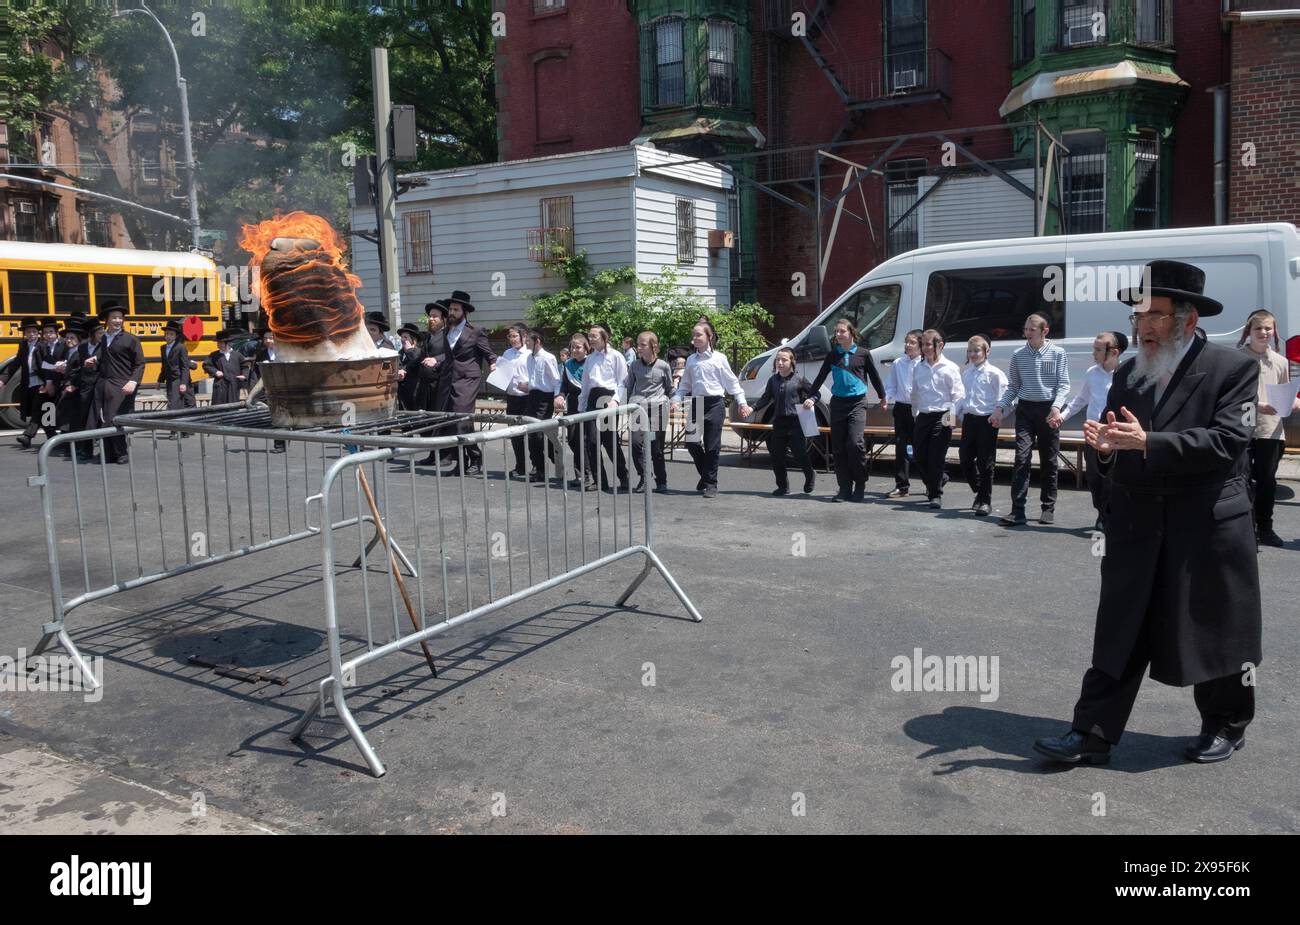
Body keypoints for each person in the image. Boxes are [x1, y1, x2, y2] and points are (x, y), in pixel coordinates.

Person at [1034, 259, 1262, 767]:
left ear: (1188, 320)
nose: (1143, 327)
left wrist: (1148, 442)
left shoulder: (1234, 369)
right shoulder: (1132, 374)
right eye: (1139, 317)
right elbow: (1118, 439)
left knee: (1213, 628)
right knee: (1120, 628)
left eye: (1155, 315)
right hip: (1137, 523)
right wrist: (1108, 449)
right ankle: (1090, 732)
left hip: (1204, 525)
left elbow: (1228, 442)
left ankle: (1226, 723)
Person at [993, 313, 1070, 526]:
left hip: (1047, 409)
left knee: (1049, 460)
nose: (1027, 333)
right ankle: (1017, 510)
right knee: (1022, 457)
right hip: (1025, 409)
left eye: (1032, 329)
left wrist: (1056, 408)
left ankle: (1048, 507)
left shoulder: (1057, 353)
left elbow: (1063, 384)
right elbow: (1014, 387)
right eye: (1025, 329)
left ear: (1044, 331)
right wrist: (1000, 408)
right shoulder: (1018, 355)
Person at [804, 318, 886, 503]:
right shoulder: (833, 355)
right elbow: (820, 377)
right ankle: (844, 488)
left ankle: (860, 484)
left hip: (857, 403)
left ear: (851, 333)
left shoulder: (863, 354)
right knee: (839, 448)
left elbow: (874, 375)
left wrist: (883, 396)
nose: (839, 334)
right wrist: (810, 396)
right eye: (837, 332)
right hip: (838, 404)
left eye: (842, 331)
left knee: (855, 443)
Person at [1237, 309, 1297, 548]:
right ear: (1248, 332)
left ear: (1274, 332)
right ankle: (1243, 530)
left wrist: (1292, 402)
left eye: (1267, 328)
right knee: (1242, 481)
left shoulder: (1281, 362)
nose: (1263, 333)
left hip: (1271, 431)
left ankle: (1265, 528)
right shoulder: (1239, 360)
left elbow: (1286, 393)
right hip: (1244, 428)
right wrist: (1257, 405)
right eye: (1258, 328)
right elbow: (1231, 398)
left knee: (1266, 482)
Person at [672, 320, 753, 498]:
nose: (695, 338)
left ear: (709, 337)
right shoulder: (691, 360)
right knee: (691, 443)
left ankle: (711, 484)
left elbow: (732, 383)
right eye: (693, 335)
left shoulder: (719, 358)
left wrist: (742, 402)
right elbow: (685, 385)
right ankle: (705, 475)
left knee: (712, 446)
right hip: (697, 403)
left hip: (715, 404)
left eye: (699, 334)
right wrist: (677, 399)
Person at [1060, 330, 1128, 531]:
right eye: (1094, 348)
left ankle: (1108, 519)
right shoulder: (1092, 373)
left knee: (1111, 480)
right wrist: (1061, 417)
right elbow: (1080, 400)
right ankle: (1101, 511)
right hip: (1092, 434)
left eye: (1098, 349)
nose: (1094, 353)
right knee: (1094, 478)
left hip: (1114, 436)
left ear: (1114, 352)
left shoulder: (1125, 375)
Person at [438, 290, 496, 476]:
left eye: (455, 309)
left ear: (465, 312)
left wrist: (493, 364)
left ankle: (475, 456)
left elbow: (489, 353)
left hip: (468, 379)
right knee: (451, 421)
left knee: (462, 419)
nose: (451, 313)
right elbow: (447, 357)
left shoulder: (476, 331)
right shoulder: (446, 330)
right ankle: (460, 463)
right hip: (448, 379)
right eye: (450, 309)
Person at [909, 329, 964, 509]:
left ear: (939, 345)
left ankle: (935, 494)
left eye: (928, 344)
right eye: (922, 344)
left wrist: (953, 419)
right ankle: (940, 479)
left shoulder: (950, 368)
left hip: (944, 415)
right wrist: (915, 413)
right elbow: (915, 393)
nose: (924, 348)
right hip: (924, 415)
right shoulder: (919, 367)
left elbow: (958, 395)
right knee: (918, 455)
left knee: (936, 457)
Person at [753, 346, 816, 496]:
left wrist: (812, 399)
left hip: (795, 422)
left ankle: (810, 475)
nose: (780, 363)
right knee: (776, 455)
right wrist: (752, 408)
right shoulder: (773, 380)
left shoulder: (799, 379)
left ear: (792, 362)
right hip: (779, 422)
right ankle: (783, 486)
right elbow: (766, 398)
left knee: (799, 454)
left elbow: (816, 392)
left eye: (784, 360)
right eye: (777, 360)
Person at [956, 335, 1007, 516]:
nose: (973, 354)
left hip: (987, 420)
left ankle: (985, 500)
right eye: (970, 351)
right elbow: (961, 398)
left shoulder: (994, 374)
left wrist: (998, 415)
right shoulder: (966, 373)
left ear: (987, 352)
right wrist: (954, 416)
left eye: (977, 350)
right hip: (969, 420)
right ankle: (980, 489)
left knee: (986, 462)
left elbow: (1004, 399)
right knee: (965, 458)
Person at [88, 303, 145, 464]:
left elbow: (140, 363)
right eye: (114, 317)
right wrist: (94, 360)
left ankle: (121, 453)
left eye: (120, 317)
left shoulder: (131, 339)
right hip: (104, 383)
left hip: (122, 384)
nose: (118, 320)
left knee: (114, 418)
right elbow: (104, 358)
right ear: (106, 320)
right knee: (104, 418)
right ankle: (108, 453)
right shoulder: (105, 338)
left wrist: (133, 381)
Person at [579, 323, 630, 492]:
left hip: (608, 399)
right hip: (593, 399)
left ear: (604, 337)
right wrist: (582, 405)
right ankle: (600, 480)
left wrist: (616, 401)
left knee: (610, 442)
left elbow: (622, 382)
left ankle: (624, 476)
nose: (591, 339)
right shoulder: (590, 359)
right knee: (591, 442)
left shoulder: (616, 356)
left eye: (594, 336)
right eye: (589, 336)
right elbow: (586, 384)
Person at [624, 330, 672, 494]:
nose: (639, 348)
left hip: (658, 409)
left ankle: (661, 481)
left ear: (654, 346)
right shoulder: (634, 365)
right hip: (638, 408)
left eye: (643, 345)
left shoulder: (663, 366)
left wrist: (672, 403)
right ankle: (644, 476)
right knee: (636, 443)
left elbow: (669, 388)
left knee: (656, 448)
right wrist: (625, 407)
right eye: (638, 345)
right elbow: (629, 386)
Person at [515, 328, 560, 483]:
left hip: (545, 399)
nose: (525, 342)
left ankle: (551, 461)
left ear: (537, 342)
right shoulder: (529, 358)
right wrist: (526, 386)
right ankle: (537, 466)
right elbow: (535, 380)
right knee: (529, 431)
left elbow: (555, 380)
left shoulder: (548, 358)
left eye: (528, 340)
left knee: (538, 434)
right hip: (532, 397)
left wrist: (557, 397)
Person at [885, 329, 923, 499]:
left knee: (921, 448)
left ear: (921, 345)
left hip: (920, 410)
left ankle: (935, 480)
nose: (908, 345)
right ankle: (902, 485)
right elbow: (891, 385)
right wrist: (886, 398)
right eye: (906, 342)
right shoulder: (898, 363)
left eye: (912, 342)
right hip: (901, 408)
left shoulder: (924, 363)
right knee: (901, 448)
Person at [555, 333, 593, 490]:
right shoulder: (568, 364)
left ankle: (588, 475)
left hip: (588, 406)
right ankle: (579, 475)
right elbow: (564, 385)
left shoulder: (591, 362)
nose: (575, 350)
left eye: (578, 347)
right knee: (572, 440)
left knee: (584, 441)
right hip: (572, 407)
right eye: (572, 347)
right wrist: (560, 396)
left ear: (586, 348)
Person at [48, 325, 86, 458]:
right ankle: (66, 444)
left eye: (72, 338)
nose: (68, 340)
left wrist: (73, 383)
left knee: (72, 419)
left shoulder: (81, 352)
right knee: (64, 416)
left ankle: (74, 447)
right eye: (67, 338)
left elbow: (81, 371)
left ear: (79, 339)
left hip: (74, 388)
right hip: (65, 386)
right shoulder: (67, 352)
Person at [500, 323, 531, 478]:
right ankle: (520, 466)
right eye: (509, 336)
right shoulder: (507, 353)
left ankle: (537, 466)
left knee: (531, 434)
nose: (512, 339)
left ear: (523, 336)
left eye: (514, 336)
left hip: (528, 397)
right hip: (512, 397)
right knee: (514, 434)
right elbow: (502, 374)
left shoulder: (530, 353)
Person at [203, 329, 248, 406]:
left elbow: (245, 366)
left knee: (233, 405)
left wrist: (244, 375)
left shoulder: (237, 355)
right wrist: (215, 371)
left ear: (228, 343)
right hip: (220, 385)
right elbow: (206, 365)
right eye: (218, 343)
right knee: (219, 406)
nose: (219, 345)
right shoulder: (214, 355)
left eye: (221, 343)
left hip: (234, 384)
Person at [159, 320, 195, 412]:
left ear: (176, 336)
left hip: (178, 379)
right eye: (167, 334)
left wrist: (183, 383)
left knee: (174, 404)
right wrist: (160, 380)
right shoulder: (163, 348)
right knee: (174, 401)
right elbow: (164, 365)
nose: (168, 336)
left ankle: (173, 422)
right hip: (169, 380)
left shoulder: (180, 347)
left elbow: (185, 367)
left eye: (171, 334)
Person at [396, 322, 423, 411]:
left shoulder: (418, 352)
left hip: (414, 392)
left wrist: (409, 350)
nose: (402, 340)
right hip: (402, 394)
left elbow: (416, 362)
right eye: (402, 337)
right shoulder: (400, 353)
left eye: (406, 337)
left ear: (413, 340)